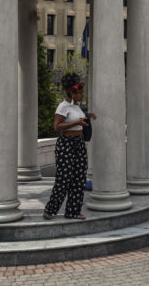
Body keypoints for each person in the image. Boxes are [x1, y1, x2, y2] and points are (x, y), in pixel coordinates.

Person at [44, 73, 95, 220]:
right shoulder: (63, 106)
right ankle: (50, 209)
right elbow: (57, 126)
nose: (82, 95)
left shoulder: (77, 107)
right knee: (64, 178)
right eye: (80, 93)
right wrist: (76, 123)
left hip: (79, 143)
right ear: (71, 92)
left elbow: (78, 118)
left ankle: (73, 211)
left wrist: (87, 116)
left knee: (79, 178)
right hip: (66, 144)